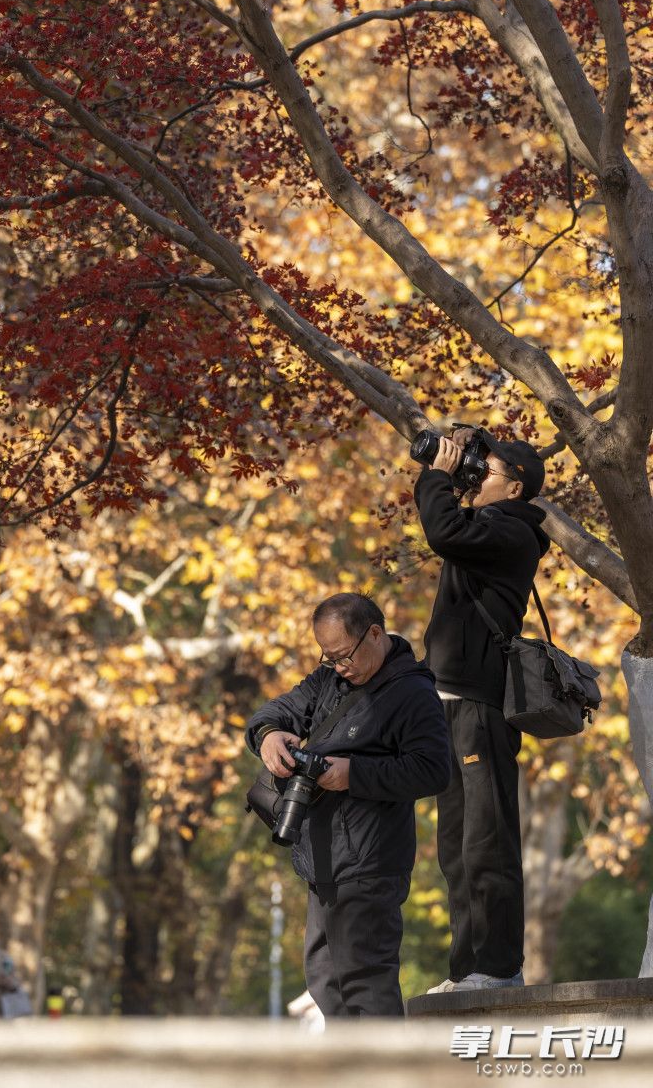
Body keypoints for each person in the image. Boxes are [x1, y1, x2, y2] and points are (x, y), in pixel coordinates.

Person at [246, 592, 450, 1017]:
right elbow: (274, 711)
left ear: (374, 634)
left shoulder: (414, 692)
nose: (338, 666)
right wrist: (267, 735)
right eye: (328, 657)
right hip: (320, 860)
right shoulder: (329, 681)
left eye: (343, 655)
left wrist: (352, 775)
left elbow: (434, 771)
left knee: (365, 984)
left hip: (371, 863)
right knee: (326, 982)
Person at [413, 426, 549, 992]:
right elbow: (453, 530)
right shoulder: (484, 526)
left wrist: (437, 477)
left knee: (487, 839)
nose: (473, 475)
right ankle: (467, 970)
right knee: (455, 849)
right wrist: (454, 469)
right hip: (447, 700)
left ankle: (498, 968)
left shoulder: (512, 532)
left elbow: (442, 531)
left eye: (484, 470)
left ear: (515, 488)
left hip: (480, 705)